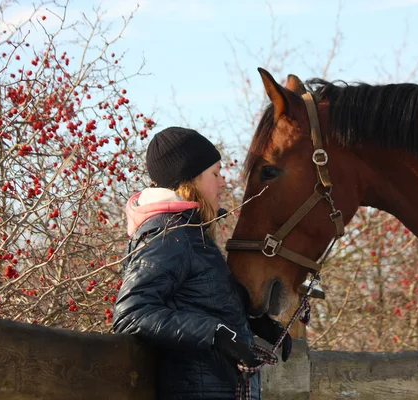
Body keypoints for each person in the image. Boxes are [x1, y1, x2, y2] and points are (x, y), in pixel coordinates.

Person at [112, 127, 292, 400]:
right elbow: (132, 313)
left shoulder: (191, 234)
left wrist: (256, 324)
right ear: (192, 179)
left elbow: (200, 302)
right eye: (215, 174)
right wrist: (216, 336)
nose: (222, 183)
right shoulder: (168, 235)